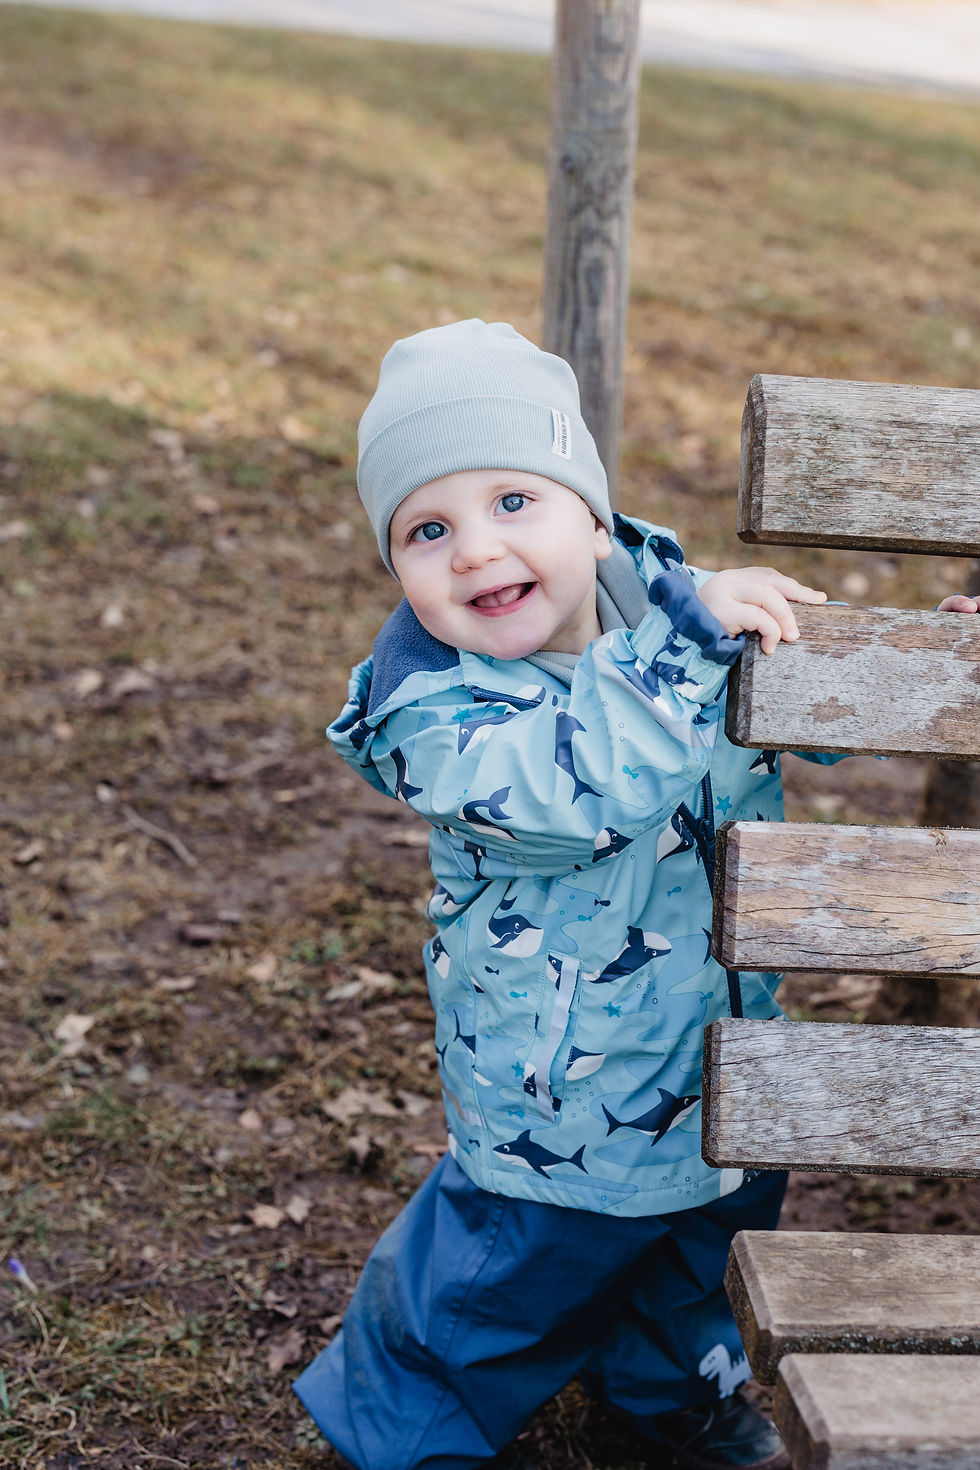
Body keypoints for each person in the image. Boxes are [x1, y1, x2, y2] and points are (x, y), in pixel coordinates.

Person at [294, 319, 977, 1470]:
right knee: (496, 1284)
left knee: (694, 1263)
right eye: (427, 528)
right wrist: (684, 644)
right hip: (559, 1091)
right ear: (398, 570)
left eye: (513, 500)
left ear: (590, 514)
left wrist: (927, 668)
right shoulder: (434, 710)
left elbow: (788, 698)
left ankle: (672, 1404)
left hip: (726, 1046)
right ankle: (397, 1432)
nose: (471, 550)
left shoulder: (670, 612)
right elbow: (571, 795)